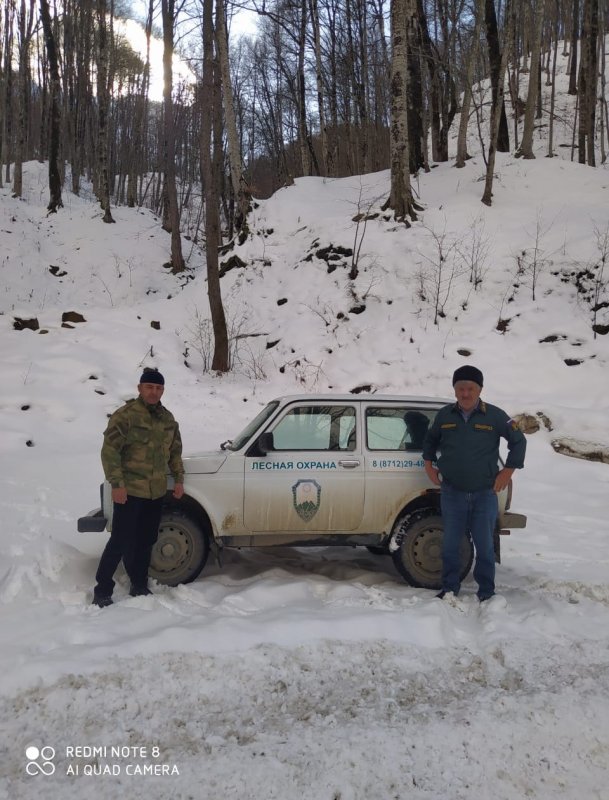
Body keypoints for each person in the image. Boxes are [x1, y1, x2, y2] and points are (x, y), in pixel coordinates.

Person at [422, 365, 526, 602]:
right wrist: (429, 465)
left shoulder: (496, 416)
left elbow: (519, 441)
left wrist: (507, 472)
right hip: (452, 492)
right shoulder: (444, 415)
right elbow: (430, 440)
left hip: (484, 494)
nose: (465, 393)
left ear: (480, 389)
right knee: (450, 545)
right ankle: (449, 589)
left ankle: (487, 593)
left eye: (470, 388)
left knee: (485, 547)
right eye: (460, 388)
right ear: (455, 390)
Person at [91, 369, 184, 607]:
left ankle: (139, 585)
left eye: (158, 388)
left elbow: (174, 452)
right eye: (149, 387)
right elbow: (110, 452)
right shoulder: (126, 416)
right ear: (140, 388)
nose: (154, 392)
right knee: (120, 541)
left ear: (163, 390)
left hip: (155, 491)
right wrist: (117, 484)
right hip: (130, 491)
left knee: (146, 540)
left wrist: (179, 480)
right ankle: (102, 589)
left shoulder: (167, 419)